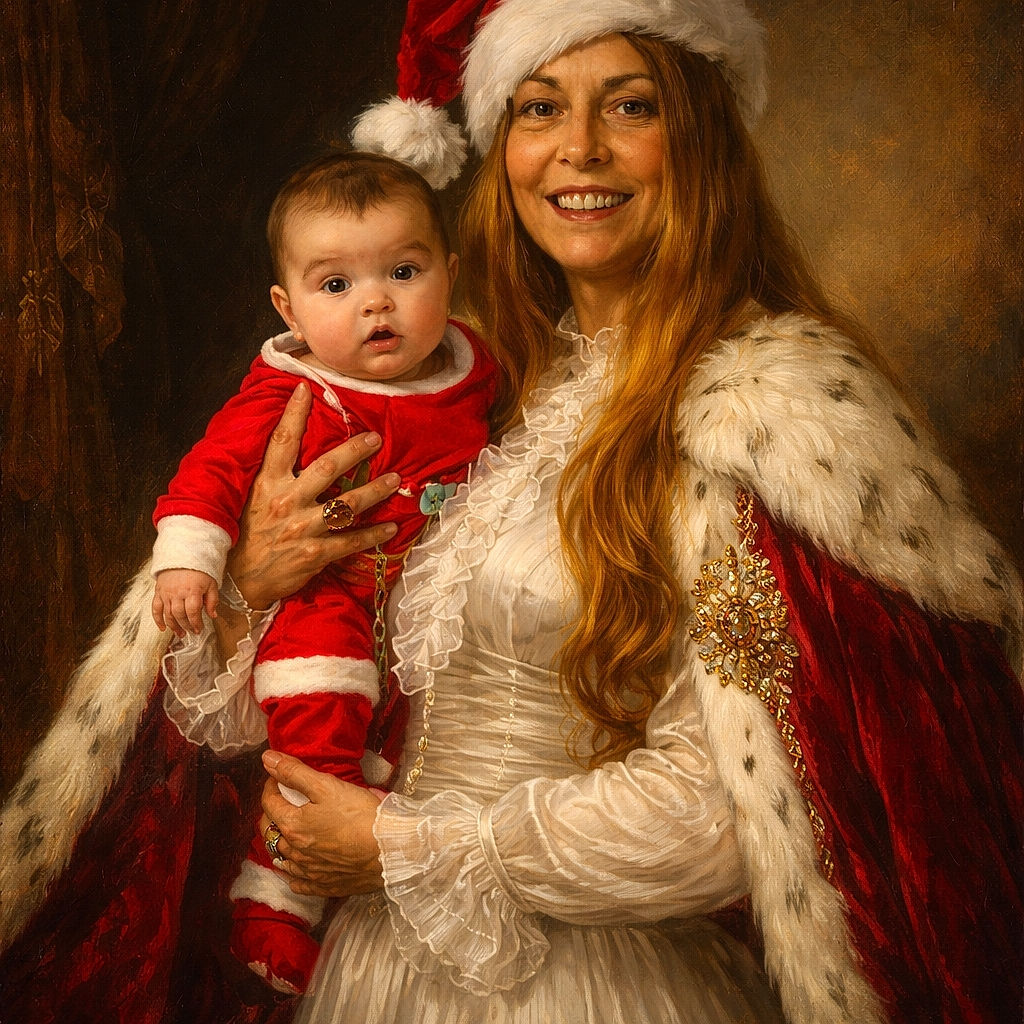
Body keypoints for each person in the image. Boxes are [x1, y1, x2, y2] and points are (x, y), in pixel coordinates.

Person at [1, 1, 1020, 1023]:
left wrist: (404, 845)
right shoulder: (483, 399)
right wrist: (254, 583)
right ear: (500, 149)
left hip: (581, 983)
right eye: (539, 109)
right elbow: (349, 688)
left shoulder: (765, 415)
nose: (578, 149)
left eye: (629, 105)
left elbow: (735, 810)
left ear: (701, 139)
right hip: (377, 965)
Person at [151, 151, 497, 993]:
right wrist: (190, 562)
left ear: (450, 275)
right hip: (323, 598)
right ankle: (276, 895)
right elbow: (209, 476)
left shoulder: (476, 371)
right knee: (323, 715)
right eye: (335, 285)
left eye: (403, 271)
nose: (376, 301)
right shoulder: (293, 389)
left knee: (404, 741)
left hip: (431, 600)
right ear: (289, 309)